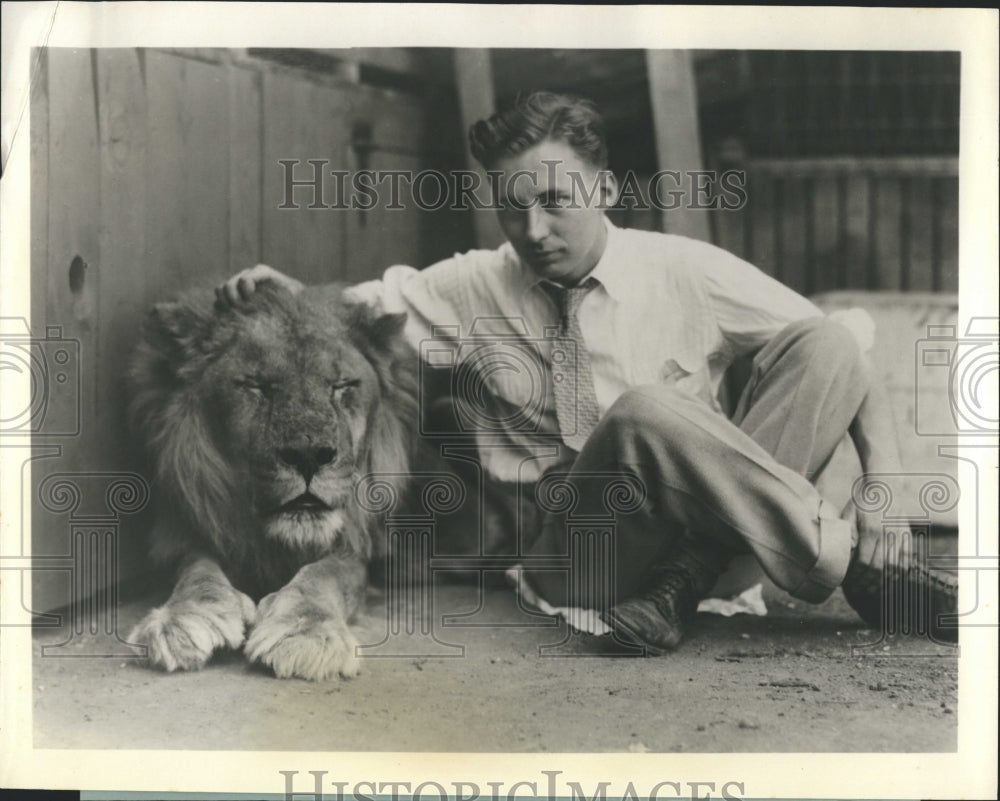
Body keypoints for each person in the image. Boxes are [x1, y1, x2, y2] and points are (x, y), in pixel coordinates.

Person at [219, 91, 957, 651]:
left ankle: (685, 581)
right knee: (643, 410)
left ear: (604, 189)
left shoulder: (683, 270)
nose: (534, 231)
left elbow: (843, 348)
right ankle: (852, 565)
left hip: (701, 534)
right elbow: (356, 313)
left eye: (553, 201)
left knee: (821, 343)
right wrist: (283, 288)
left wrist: (883, 483)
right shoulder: (473, 283)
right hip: (581, 553)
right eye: (513, 209)